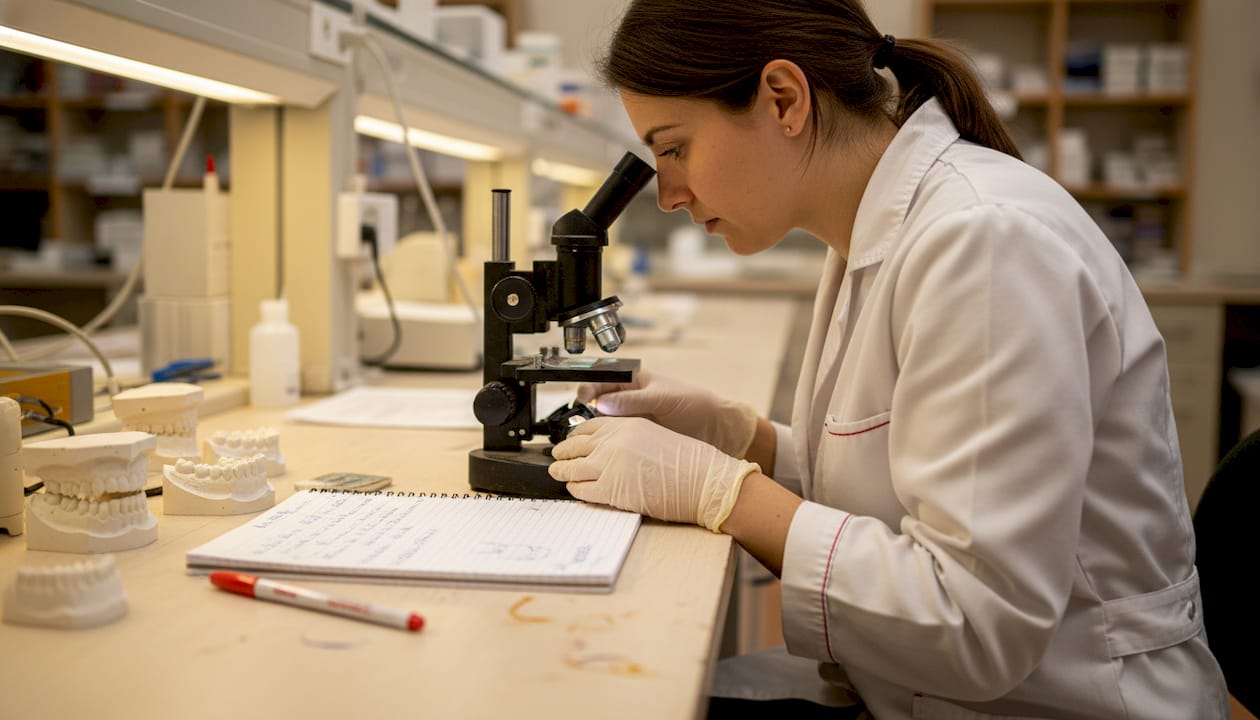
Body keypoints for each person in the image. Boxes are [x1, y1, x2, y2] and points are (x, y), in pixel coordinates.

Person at [546, 1, 1229, 718]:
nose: (672, 192)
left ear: (785, 98)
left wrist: (725, 494)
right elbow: (907, 484)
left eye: (674, 147)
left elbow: (977, 620)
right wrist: (743, 437)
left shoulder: (985, 242)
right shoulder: (876, 233)